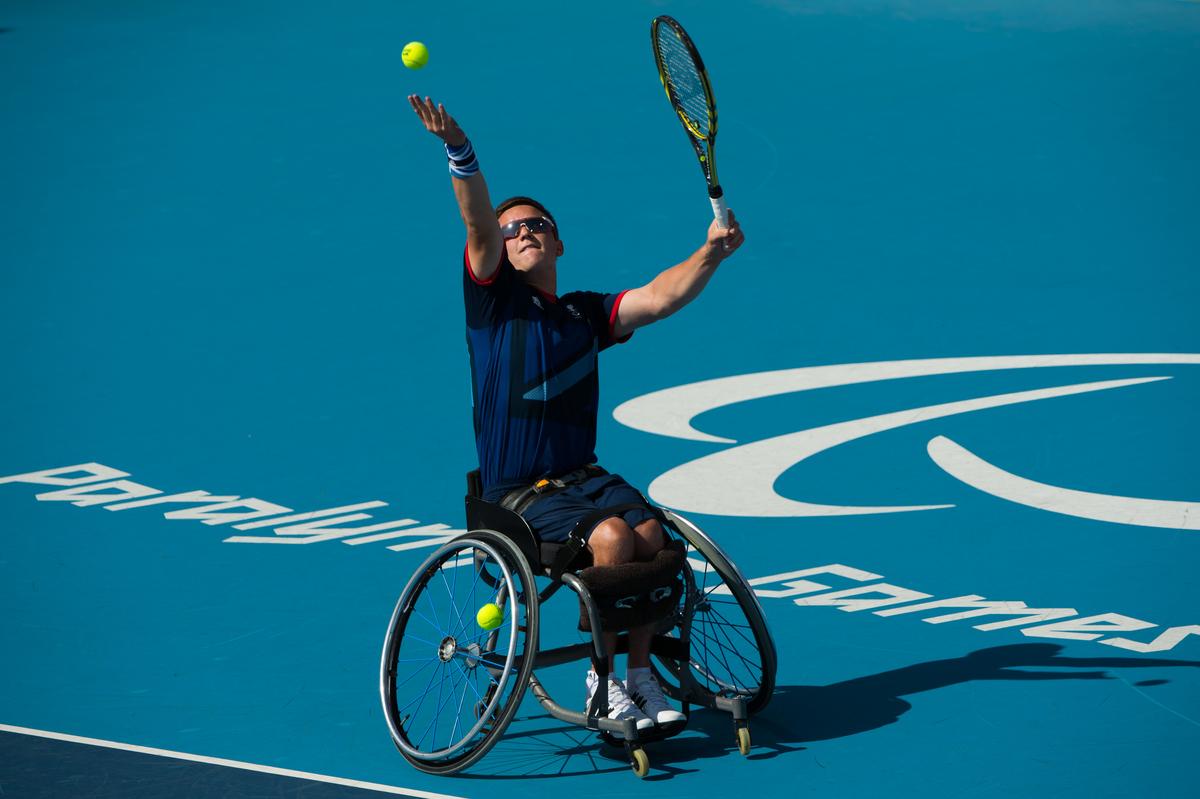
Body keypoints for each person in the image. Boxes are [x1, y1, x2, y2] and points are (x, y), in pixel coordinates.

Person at [409, 95, 744, 737]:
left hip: (584, 478)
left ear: (560, 240)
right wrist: (460, 148)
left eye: (536, 224)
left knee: (654, 542)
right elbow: (477, 224)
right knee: (615, 541)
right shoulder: (493, 306)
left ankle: (640, 675)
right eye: (512, 231)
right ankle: (604, 678)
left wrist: (710, 254)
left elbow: (657, 299)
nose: (522, 232)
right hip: (517, 495)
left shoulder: (584, 315)